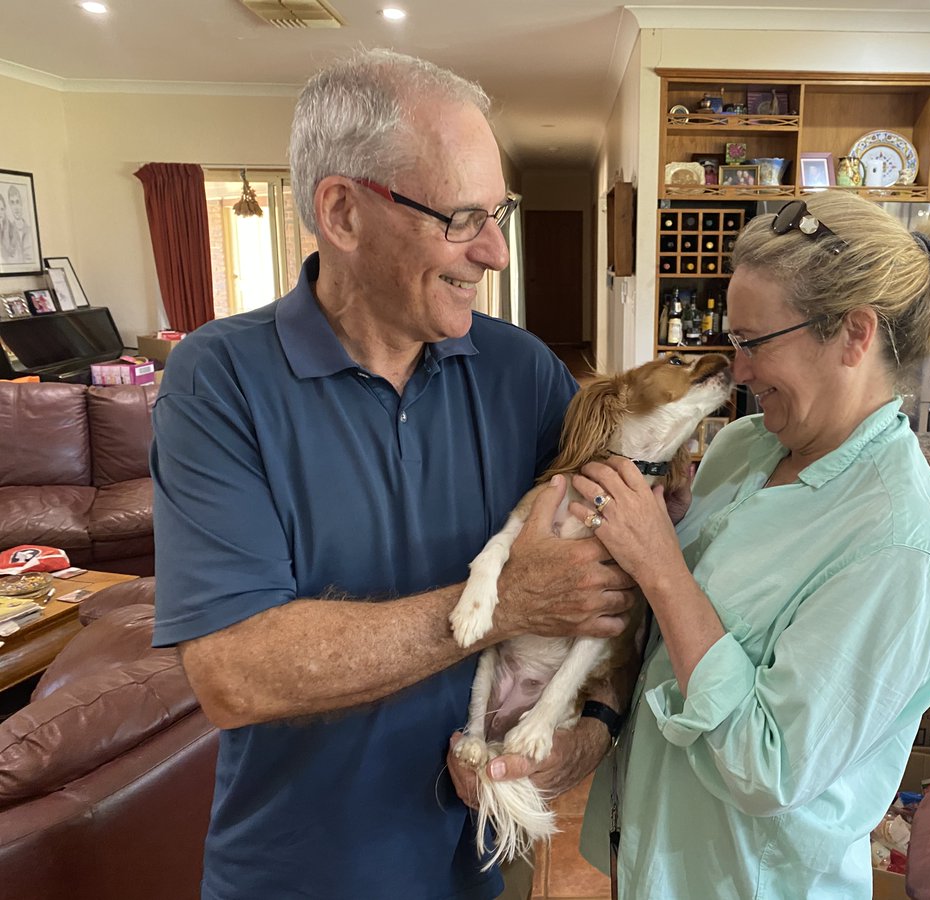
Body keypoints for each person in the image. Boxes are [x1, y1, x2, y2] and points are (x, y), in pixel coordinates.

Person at [150, 49, 633, 900]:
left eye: (500, 213)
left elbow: (625, 579)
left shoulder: (522, 371)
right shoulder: (217, 379)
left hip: (485, 858)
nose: (495, 252)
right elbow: (235, 670)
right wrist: (505, 605)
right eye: (461, 217)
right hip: (303, 870)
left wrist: (589, 732)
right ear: (342, 212)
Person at [570, 192, 930, 898]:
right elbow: (690, 637)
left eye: (754, 343)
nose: (736, 371)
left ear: (854, 336)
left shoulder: (901, 542)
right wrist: (671, 530)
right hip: (654, 845)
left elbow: (770, 766)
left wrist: (663, 566)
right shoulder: (744, 447)